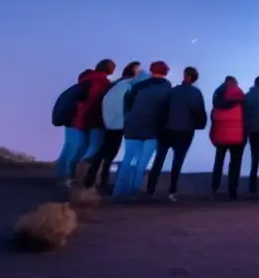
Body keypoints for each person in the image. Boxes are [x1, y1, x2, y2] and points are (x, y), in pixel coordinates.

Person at [146, 66, 208, 201]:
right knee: (178, 162)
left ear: (185, 76)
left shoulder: (173, 91)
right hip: (185, 131)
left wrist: (160, 126)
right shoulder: (196, 93)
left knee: (159, 160)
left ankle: (150, 190)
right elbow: (200, 113)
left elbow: (162, 110)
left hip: (167, 129)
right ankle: (172, 191)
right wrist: (198, 125)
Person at [114, 61, 172, 199]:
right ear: (165, 72)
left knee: (128, 158)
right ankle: (134, 189)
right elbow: (166, 111)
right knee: (143, 161)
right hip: (153, 128)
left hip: (133, 126)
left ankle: (119, 191)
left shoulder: (137, 86)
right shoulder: (167, 89)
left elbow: (127, 105)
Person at [85, 61, 144, 190]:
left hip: (109, 121)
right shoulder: (129, 85)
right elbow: (129, 103)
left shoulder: (117, 84)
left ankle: (92, 179)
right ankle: (99, 182)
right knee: (109, 153)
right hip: (118, 122)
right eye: (138, 70)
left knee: (104, 151)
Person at [55, 60, 114, 186]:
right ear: (108, 69)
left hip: (73, 118)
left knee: (71, 147)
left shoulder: (86, 79)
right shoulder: (101, 82)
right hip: (86, 119)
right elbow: (95, 103)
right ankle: (75, 175)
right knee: (89, 148)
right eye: (112, 66)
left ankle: (62, 176)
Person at [210, 76, 247, 199]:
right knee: (235, 164)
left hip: (221, 135)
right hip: (238, 136)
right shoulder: (240, 96)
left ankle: (214, 188)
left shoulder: (218, 97)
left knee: (219, 161)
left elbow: (213, 117)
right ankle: (232, 191)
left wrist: (213, 133)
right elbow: (246, 116)